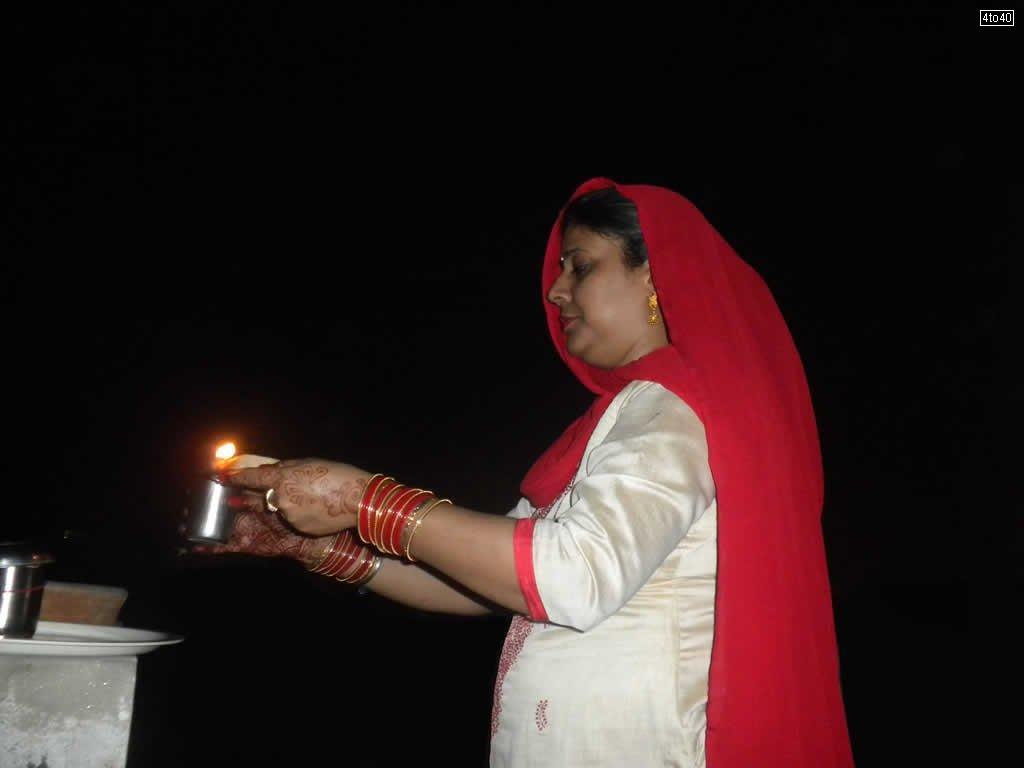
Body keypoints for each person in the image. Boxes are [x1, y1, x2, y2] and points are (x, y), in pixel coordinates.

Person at [204, 178, 855, 767]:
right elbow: (486, 582)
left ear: (657, 277)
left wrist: (360, 497)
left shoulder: (671, 411)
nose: (555, 288)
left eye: (582, 264)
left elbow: (568, 575)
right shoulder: (619, 420)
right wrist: (326, 548)